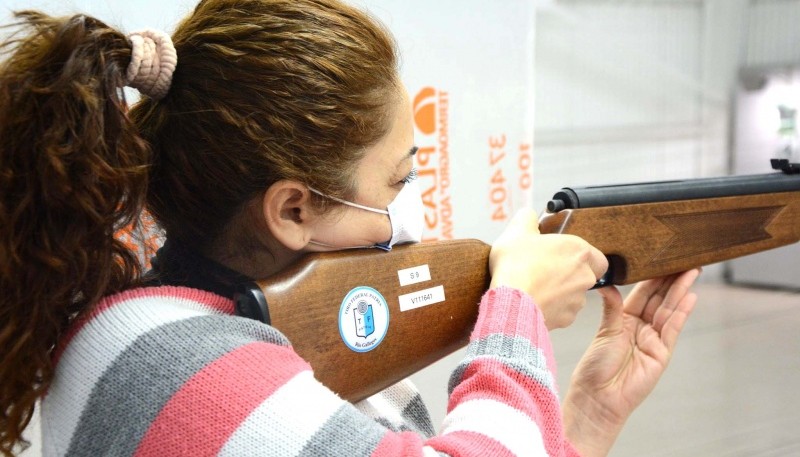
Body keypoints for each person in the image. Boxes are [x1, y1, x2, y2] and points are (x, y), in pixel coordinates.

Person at [0, 1, 700, 456]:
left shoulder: (151, 318)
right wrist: (515, 314)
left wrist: (586, 417)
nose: (405, 212)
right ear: (294, 210)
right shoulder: (187, 369)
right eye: (396, 181)